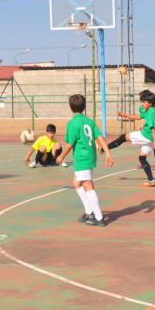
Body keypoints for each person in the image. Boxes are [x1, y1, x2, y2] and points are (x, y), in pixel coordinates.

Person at [56, 94, 114, 227]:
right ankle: (89, 212)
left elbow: (70, 144)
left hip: (82, 158)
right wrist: (108, 153)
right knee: (76, 183)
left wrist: (61, 156)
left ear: (70, 107)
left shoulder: (72, 123)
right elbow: (99, 137)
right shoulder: (89, 121)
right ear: (84, 107)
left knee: (87, 184)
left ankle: (99, 218)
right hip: (89, 155)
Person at [103, 89, 155, 187]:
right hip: (150, 138)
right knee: (142, 158)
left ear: (150, 103)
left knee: (123, 137)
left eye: (144, 102)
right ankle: (151, 180)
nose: (142, 104)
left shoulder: (150, 113)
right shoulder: (154, 110)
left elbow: (153, 129)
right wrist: (124, 115)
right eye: (141, 102)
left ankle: (103, 149)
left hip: (145, 135)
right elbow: (138, 117)